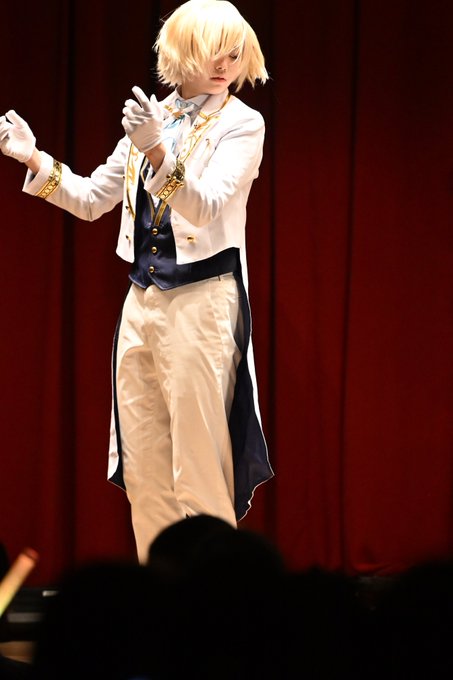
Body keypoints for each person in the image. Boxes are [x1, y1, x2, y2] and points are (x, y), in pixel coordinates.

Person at [0, 0, 274, 563]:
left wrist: (155, 148)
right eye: (212, 51)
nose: (224, 64)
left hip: (202, 301)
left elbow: (205, 206)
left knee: (198, 467)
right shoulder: (154, 118)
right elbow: (91, 199)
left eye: (233, 53)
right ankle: (160, 600)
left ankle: (220, 601)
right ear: (182, 52)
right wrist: (35, 160)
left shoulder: (242, 124)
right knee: (145, 469)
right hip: (142, 303)